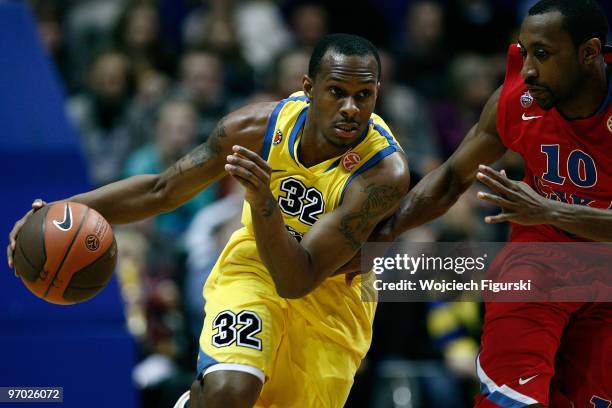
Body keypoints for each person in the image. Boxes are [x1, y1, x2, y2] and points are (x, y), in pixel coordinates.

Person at [7, 33, 409, 408]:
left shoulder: (382, 172)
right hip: (254, 271)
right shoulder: (255, 128)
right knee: (230, 391)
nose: (350, 108)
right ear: (308, 88)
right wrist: (63, 210)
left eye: (364, 95)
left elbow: (299, 278)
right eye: (336, 92)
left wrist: (264, 202)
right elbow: (162, 190)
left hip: (330, 298)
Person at [377, 0, 611, 406]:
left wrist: (549, 210)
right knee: (510, 399)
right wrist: (383, 234)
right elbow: (451, 177)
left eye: (542, 54)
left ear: (589, 52)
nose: (529, 70)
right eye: (524, 52)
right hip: (539, 263)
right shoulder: (519, 99)